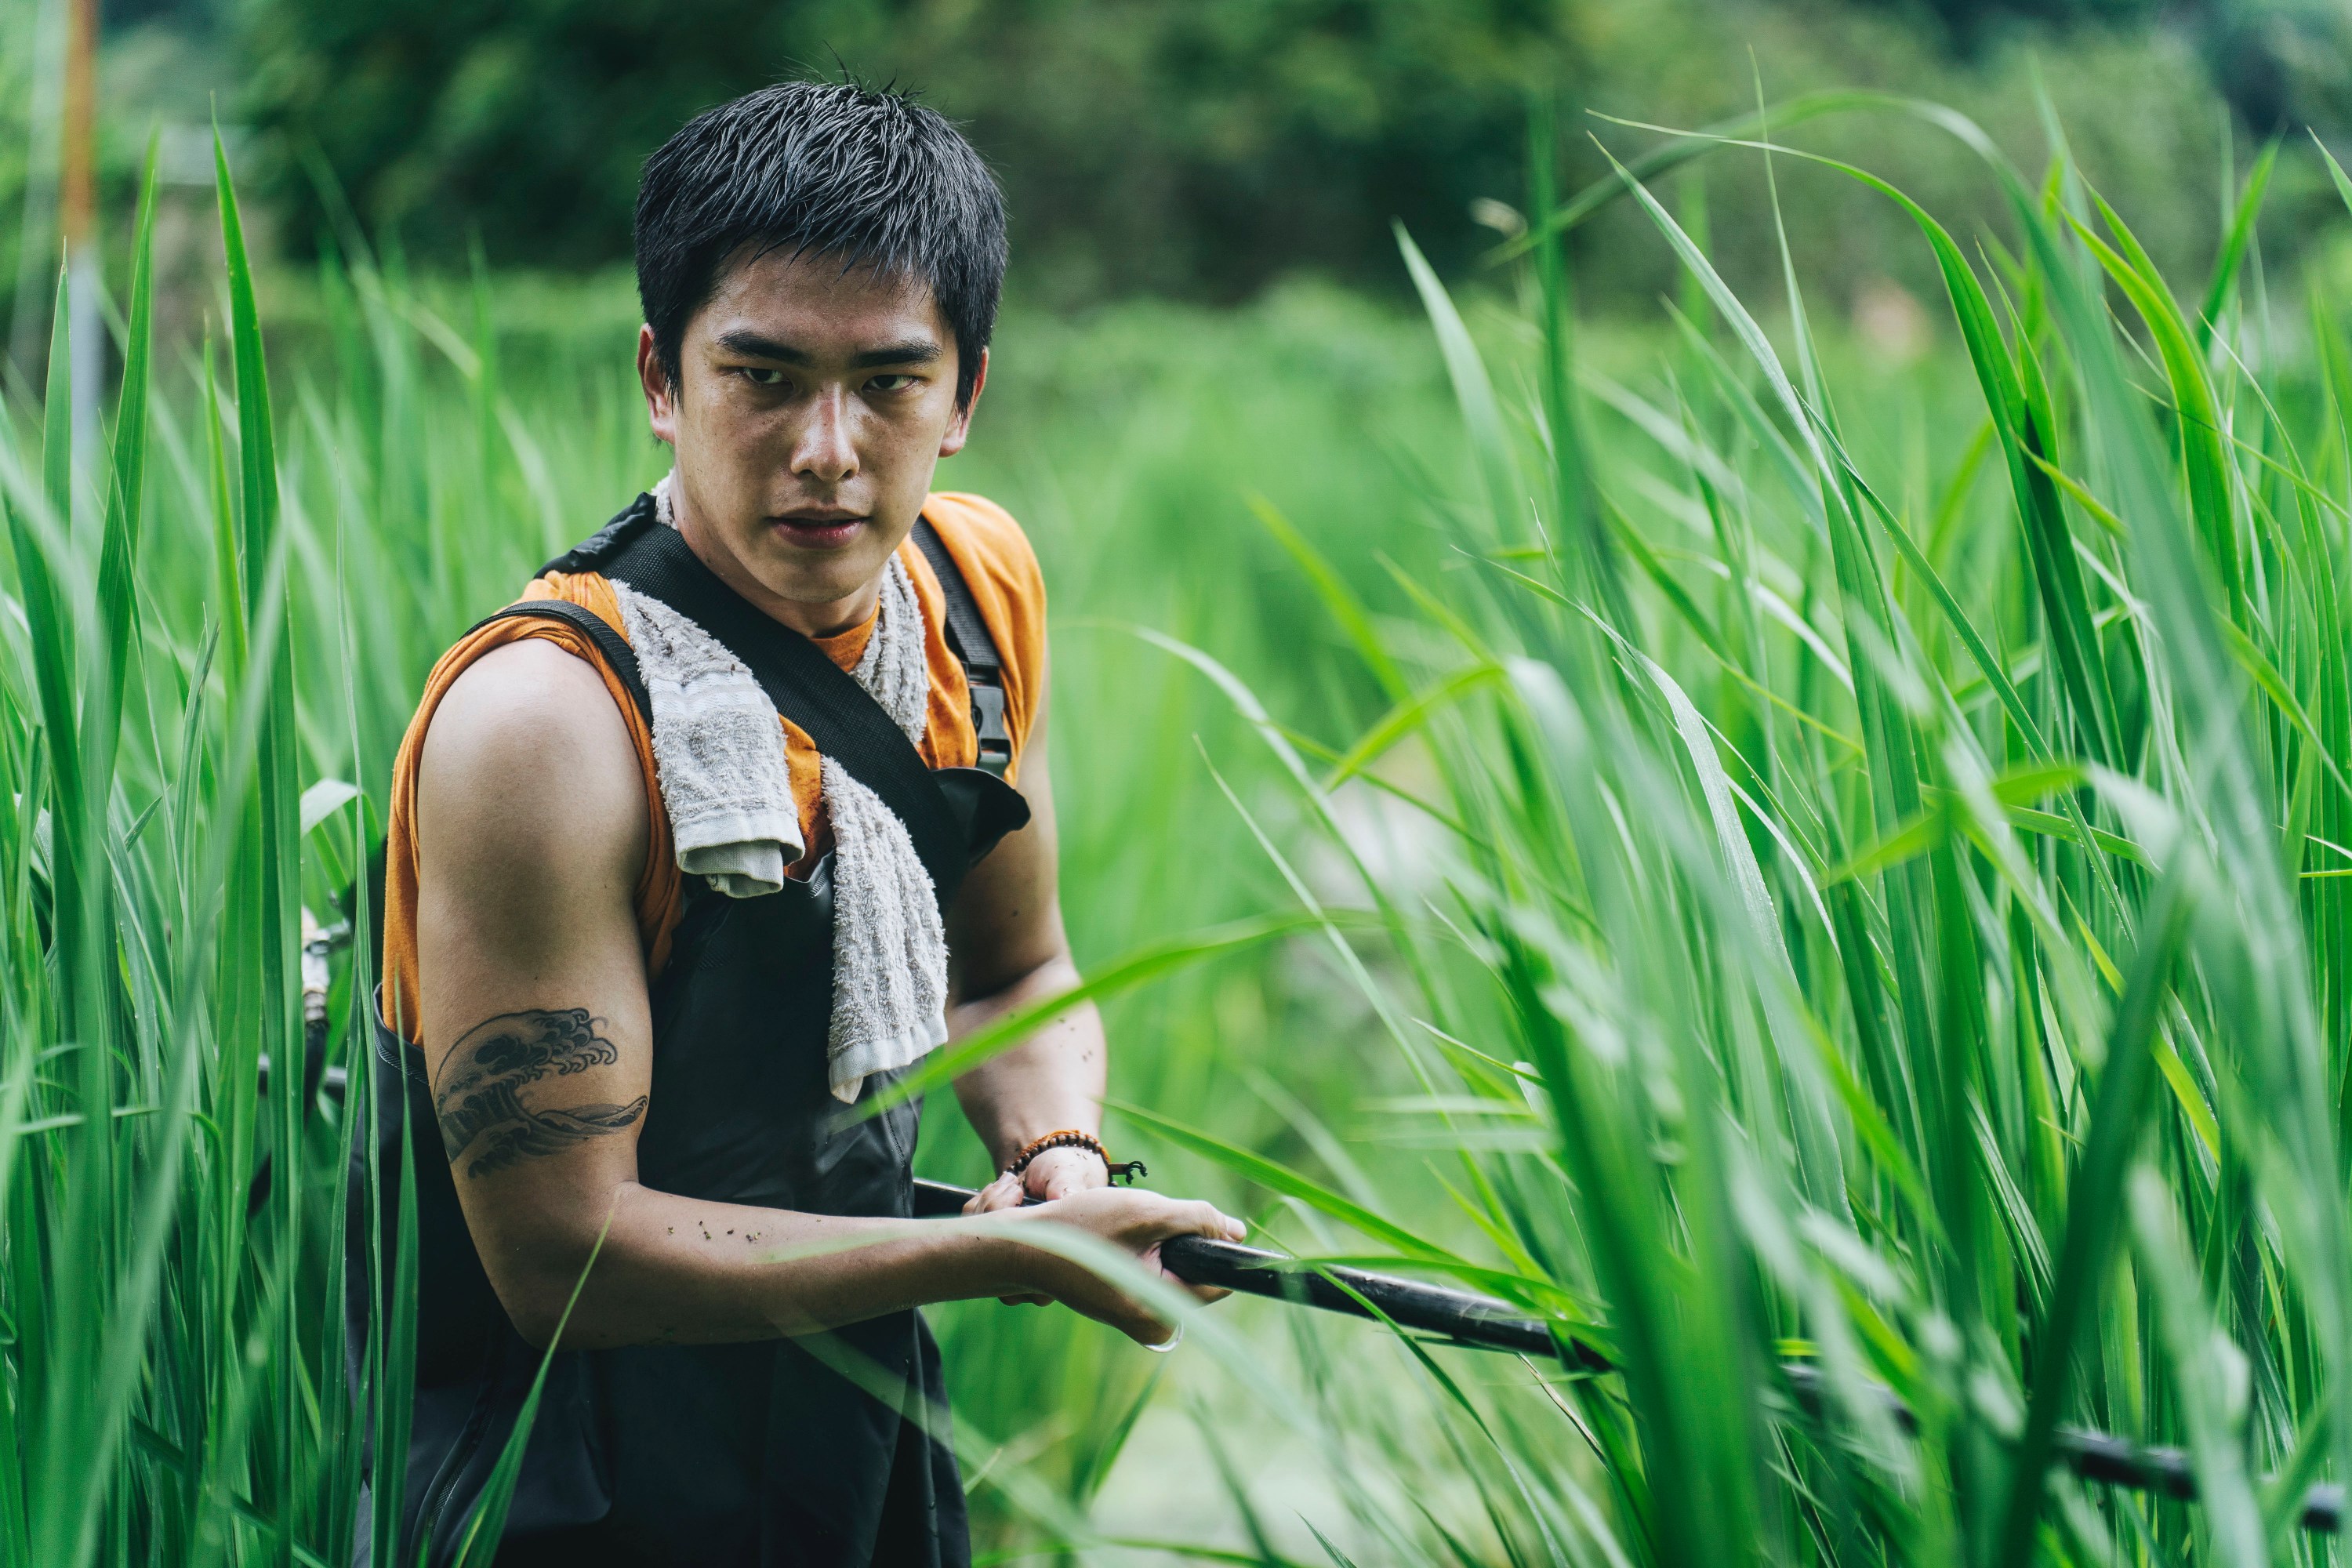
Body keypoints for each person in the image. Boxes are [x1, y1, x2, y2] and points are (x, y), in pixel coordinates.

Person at [353, 78, 1243, 1567]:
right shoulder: (548, 724)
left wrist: (1063, 1156)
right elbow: (562, 1261)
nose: (827, 450)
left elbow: (1010, 972)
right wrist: (997, 1254)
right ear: (662, 376)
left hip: (851, 1411)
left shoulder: (969, 597)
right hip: (559, 1472)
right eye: (762, 377)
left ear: (965, 398)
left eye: (890, 383)